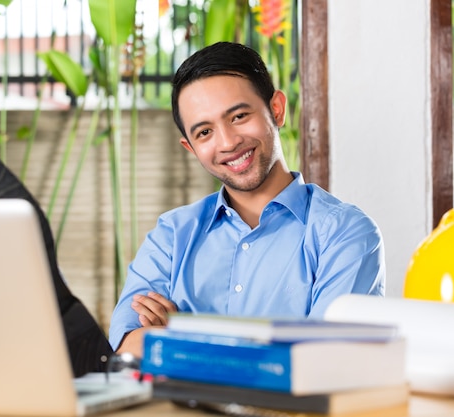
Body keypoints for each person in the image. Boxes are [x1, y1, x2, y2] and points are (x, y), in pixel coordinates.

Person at [109, 41, 385, 358]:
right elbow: (126, 349)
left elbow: (319, 363)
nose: (227, 142)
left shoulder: (346, 234)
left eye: (239, 116)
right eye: (204, 132)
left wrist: (179, 334)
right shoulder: (171, 236)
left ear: (276, 110)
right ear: (191, 148)